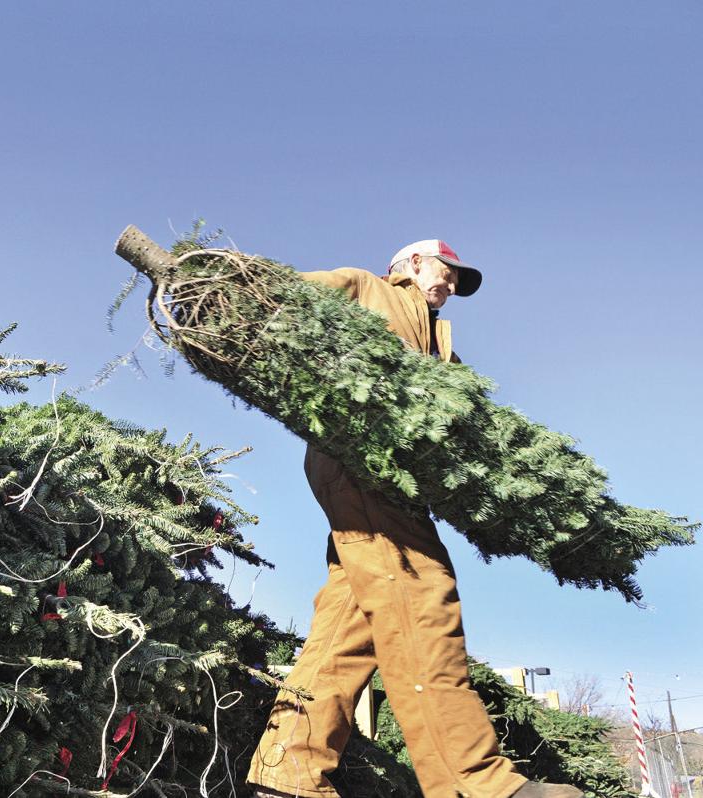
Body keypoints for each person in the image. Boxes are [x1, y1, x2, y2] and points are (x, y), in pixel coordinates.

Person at [245, 240, 583, 798]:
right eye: (446, 273)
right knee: (420, 590)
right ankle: (473, 782)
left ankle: (288, 776)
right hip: (359, 457)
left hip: (384, 476)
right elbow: (280, 294)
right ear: (412, 264)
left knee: (350, 624)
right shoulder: (367, 288)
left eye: (456, 284)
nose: (449, 287)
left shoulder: (438, 343)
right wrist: (217, 280)